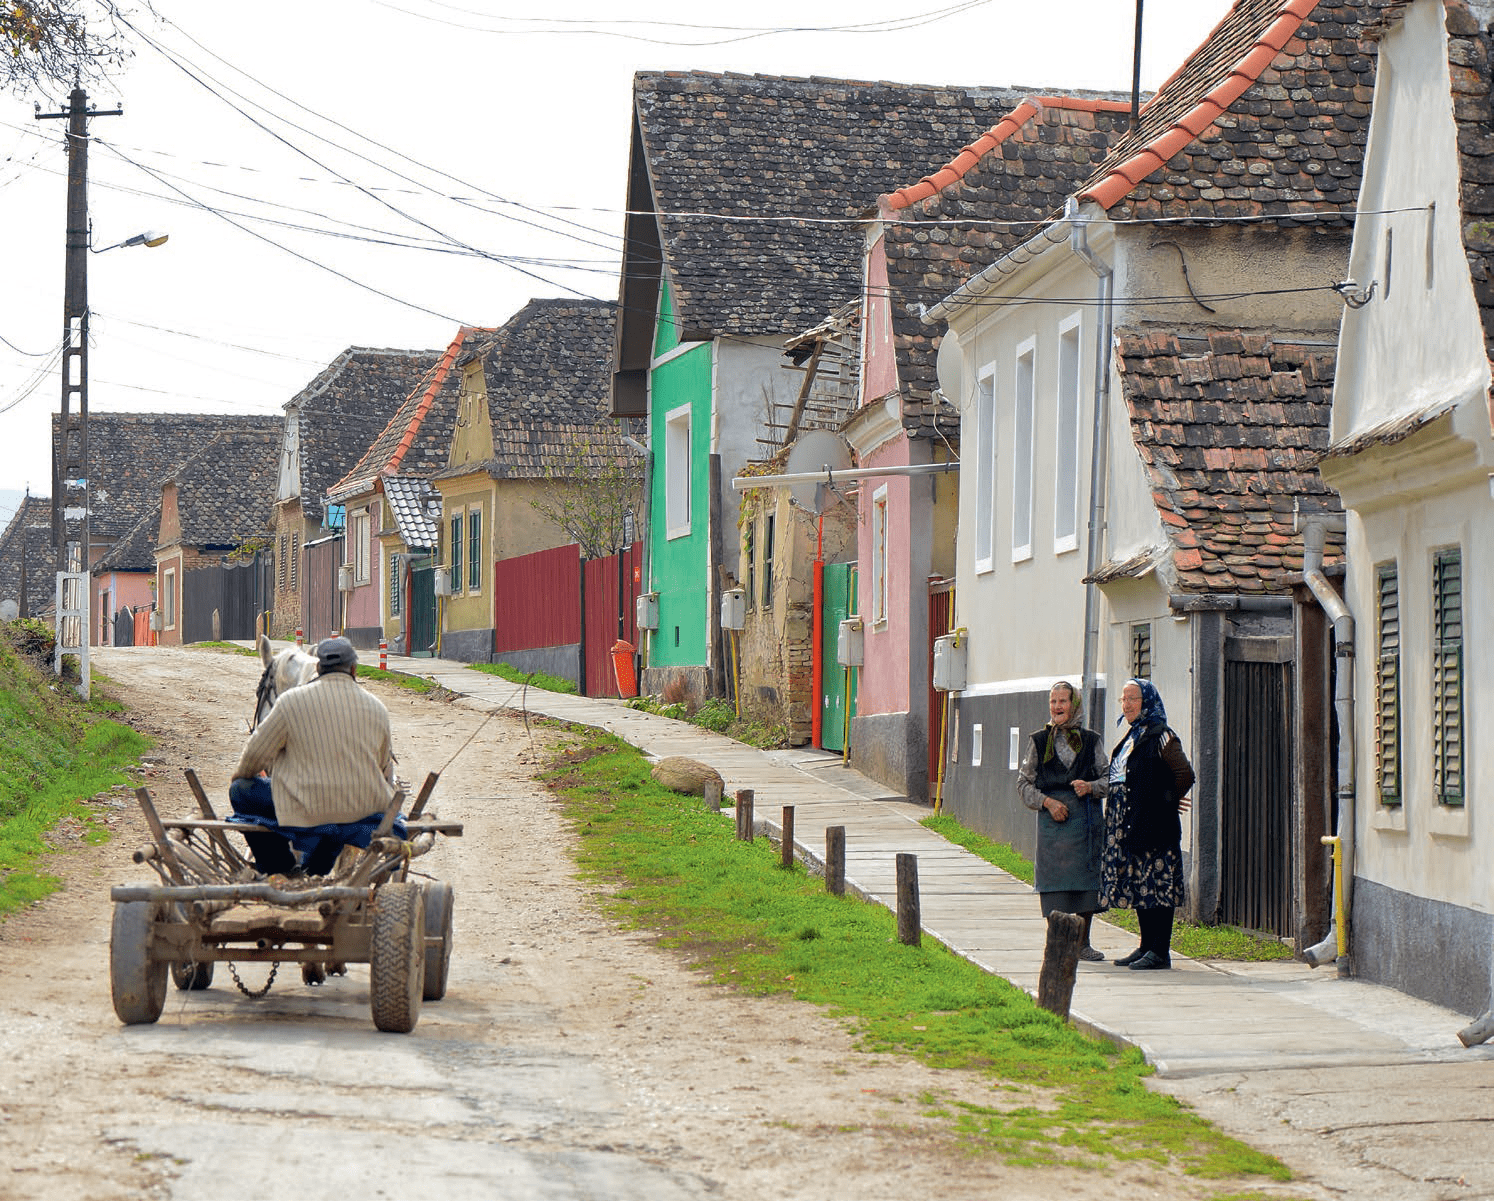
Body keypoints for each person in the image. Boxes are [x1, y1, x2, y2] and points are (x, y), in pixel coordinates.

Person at [228, 637, 398, 876]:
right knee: (338, 817)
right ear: (354, 669)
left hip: (306, 807)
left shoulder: (290, 702)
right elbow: (382, 766)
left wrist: (240, 776)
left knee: (240, 791)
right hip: (361, 810)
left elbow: (255, 758)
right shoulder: (378, 708)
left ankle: (282, 868)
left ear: (317, 667)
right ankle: (314, 870)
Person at [1099, 678, 1195, 971]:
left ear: (1148, 702)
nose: (1126, 705)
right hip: (1128, 823)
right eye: (1123, 699)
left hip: (1153, 825)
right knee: (1140, 884)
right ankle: (1145, 946)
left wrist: (1164, 803)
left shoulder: (1161, 735)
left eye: (1133, 699)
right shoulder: (1132, 735)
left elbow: (1184, 774)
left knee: (1158, 885)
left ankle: (1160, 951)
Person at [1015, 680, 1109, 962]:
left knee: (1085, 883)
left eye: (1063, 702)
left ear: (1075, 705)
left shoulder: (1091, 741)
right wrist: (1047, 802)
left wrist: (1090, 787)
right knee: (1054, 883)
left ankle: (1082, 944)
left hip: (1085, 823)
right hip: (1052, 827)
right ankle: (1058, 942)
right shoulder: (1038, 741)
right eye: (1053, 702)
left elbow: (1108, 778)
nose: (1057, 707)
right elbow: (1023, 784)